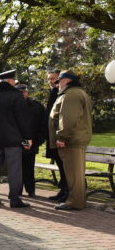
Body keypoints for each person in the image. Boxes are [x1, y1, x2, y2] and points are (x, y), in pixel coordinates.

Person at [0, 70, 33, 208]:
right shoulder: (16, 96)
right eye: (14, 81)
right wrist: (27, 138)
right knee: (14, 170)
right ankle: (15, 199)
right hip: (13, 140)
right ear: (10, 81)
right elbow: (23, 120)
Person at [49, 71, 92, 211]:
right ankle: (78, 201)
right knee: (76, 174)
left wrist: (62, 137)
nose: (57, 84)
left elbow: (68, 118)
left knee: (73, 174)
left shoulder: (71, 94)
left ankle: (75, 202)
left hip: (70, 140)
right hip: (76, 139)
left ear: (66, 81)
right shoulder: (78, 92)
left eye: (59, 81)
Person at [43, 70, 70, 202]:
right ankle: (63, 190)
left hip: (60, 138)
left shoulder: (63, 94)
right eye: (48, 79)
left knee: (65, 166)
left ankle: (67, 191)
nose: (51, 82)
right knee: (60, 165)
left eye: (53, 79)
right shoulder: (53, 93)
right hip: (52, 137)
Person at [17, 84, 47, 198]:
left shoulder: (36, 106)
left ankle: (31, 190)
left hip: (32, 143)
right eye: (20, 92)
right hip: (17, 143)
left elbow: (42, 125)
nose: (22, 94)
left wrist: (37, 141)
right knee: (17, 169)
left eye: (24, 92)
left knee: (29, 169)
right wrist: (23, 142)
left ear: (27, 92)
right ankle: (17, 190)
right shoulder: (12, 106)